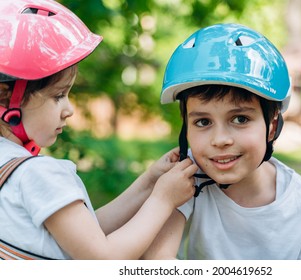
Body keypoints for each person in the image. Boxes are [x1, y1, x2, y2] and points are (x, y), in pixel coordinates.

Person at [0, 0, 197, 260]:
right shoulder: (39, 175)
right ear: (5, 99)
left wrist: (149, 183)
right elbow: (102, 259)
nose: (68, 109)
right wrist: (163, 200)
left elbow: (85, 235)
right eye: (58, 95)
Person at [142, 23, 301, 260]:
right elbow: (157, 262)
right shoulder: (185, 182)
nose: (220, 140)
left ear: (271, 127)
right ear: (186, 127)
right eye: (203, 122)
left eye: (240, 119)